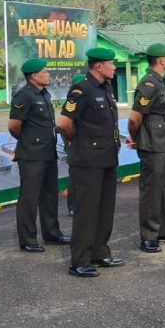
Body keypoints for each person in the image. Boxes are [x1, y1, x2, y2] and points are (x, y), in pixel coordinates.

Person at [57, 48, 125, 277]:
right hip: (87, 160)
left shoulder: (105, 88)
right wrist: (79, 143)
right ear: (99, 66)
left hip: (107, 157)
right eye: (111, 63)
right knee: (86, 211)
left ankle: (100, 252)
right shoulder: (82, 89)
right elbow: (64, 123)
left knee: (105, 208)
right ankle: (79, 261)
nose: (114, 67)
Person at [126, 43, 165, 254]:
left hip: (163, 143)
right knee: (151, 191)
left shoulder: (159, 82)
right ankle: (148, 237)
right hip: (152, 144)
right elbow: (135, 118)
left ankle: (163, 230)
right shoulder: (149, 84)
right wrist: (135, 138)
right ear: (161, 60)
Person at [8, 58, 70, 253]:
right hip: (32, 155)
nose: (48, 74)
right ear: (34, 75)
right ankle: (28, 239)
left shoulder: (44, 94)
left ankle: (52, 234)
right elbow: (14, 126)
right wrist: (28, 141)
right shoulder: (24, 96)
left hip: (48, 152)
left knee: (50, 194)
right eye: (45, 71)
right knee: (29, 197)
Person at [65, 73, 86, 217]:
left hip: (87, 142)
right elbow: (65, 123)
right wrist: (72, 141)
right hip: (75, 141)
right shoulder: (73, 99)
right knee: (75, 176)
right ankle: (73, 206)